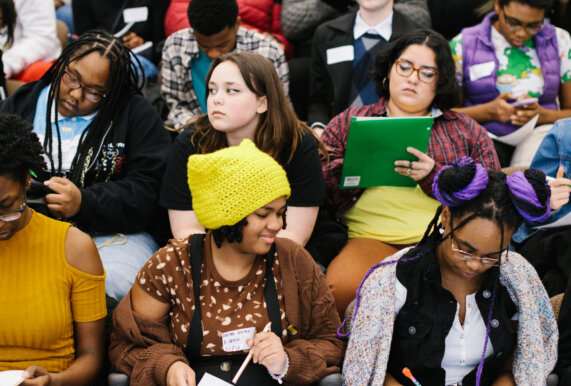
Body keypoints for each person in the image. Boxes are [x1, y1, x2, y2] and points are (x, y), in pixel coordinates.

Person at [109, 139, 344, 385]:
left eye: (280, 213)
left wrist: (287, 360)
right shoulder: (171, 265)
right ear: (228, 217)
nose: (276, 225)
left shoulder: (292, 261)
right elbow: (127, 344)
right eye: (263, 214)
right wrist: (168, 366)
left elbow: (330, 341)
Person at [322, 29, 500, 315]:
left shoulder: (464, 129)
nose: (413, 78)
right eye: (404, 67)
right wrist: (355, 166)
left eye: (427, 73)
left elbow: (493, 193)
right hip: (367, 237)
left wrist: (437, 177)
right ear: (389, 71)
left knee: (460, 299)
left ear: (439, 82)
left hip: (442, 239)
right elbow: (316, 188)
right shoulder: (350, 122)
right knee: (341, 290)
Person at [343, 157, 558, 385]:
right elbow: (371, 368)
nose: (475, 264)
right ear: (446, 216)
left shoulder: (517, 278)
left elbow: (521, 359)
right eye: (465, 249)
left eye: (491, 256)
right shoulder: (391, 280)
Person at [0, 30, 172, 301]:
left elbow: (149, 189)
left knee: (109, 286)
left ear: (112, 93)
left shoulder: (136, 115)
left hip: (112, 236)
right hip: (24, 230)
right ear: (60, 65)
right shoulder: (24, 103)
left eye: (94, 92)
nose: (76, 94)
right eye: (71, 77)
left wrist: (86, 202)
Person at [160, 51, 325, 248]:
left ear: (262, 103)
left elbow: (295, 234)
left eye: (231, 91)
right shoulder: (192, 141)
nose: (216, 99)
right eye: (212, 90)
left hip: (277, 254)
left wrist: (246, 269)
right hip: (208, 255)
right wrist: (225, 265)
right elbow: (186, 231)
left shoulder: (297, 143)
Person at [0, 114, 106, 385]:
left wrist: (55, 381)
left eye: (5, 206)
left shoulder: (73, 247)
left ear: (25, 180)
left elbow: (92, 356)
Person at [450, 0, 571, 167]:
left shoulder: (560, 40)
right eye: (513, 23)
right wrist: (489, 112)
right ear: (498, 5)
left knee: (533, 172)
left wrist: (542, 116)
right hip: (483, 135)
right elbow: (445, 114)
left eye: (534, 25)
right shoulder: (463, 44)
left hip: (540, 134)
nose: (521, 33)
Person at [161, 0, 288, 132]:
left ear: (237, 24)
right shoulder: (175, 47)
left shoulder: (267, 52)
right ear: (193, 31)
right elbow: (174, 103)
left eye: (222, 45)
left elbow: (277, 109)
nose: (213, 53)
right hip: (197, 134)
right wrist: (192, 124)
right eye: (204, 46)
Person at [308, 0, 428, 131]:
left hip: (393, 136)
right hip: (336, 138)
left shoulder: (418, 41)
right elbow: (319, 98)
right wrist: (319, 128)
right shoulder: (327, 34)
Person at [512, 117, 571, 296]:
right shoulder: (564, 132)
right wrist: (547, 202)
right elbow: (526, 208)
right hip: (547, 238)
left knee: (555, 282)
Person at [72, 0, 170, 79]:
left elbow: (160, 45)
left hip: (141, 59)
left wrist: (142, 43)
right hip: (100, 53)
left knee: (129, 64)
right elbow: (84, 41)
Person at [0, 0, 60, 82]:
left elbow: (42, 40)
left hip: (23, 62)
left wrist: (5, 64)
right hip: (7, 61)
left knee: (41, 71)